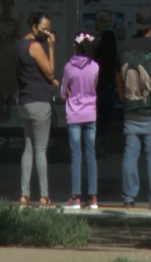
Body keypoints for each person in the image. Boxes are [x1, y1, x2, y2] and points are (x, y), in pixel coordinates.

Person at [116, 8, 151, 210]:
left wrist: (125, 99)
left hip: (131, 112)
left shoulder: (123, 48)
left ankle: (128, 198)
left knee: (130, 154)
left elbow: (118, 77)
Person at [16, 13, 58, 207]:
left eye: (48, 29)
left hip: (24, 101)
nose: (47, 33)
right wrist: (51, 46)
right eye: (44, 29)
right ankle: (44, 195)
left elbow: (32, 73)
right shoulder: (35, 46)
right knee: (41, 148)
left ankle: (24, 195)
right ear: (34, 27)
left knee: (29, 147)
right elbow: (49, 71)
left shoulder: (20, 45)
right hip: (39, 102)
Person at [61, 32, 99, 210]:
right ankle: (93, 198)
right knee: (91, 155)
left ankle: (75, 197)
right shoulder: (95, 67)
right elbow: (93, 87)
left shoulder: (69, 67)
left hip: (74, 115)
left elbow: (62, 92)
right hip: (90, 114)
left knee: (76, 155)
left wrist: (68, 90)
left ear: (76, 46)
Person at [93, 29, 118, 159]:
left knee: (98, 119)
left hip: (97, 90)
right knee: (106, 120)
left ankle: (97, 144)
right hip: (108, 90)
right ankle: (101, 146)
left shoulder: (97, 55)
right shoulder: (113, 56)